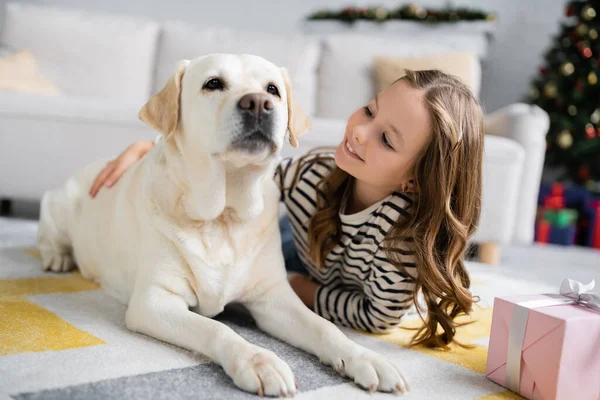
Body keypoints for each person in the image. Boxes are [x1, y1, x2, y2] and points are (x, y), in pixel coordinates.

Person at [89, 69, 484, 348]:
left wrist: (287, 286)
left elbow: (375, 318)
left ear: (412, 181)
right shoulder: (310, 173)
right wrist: (149, 149)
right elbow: (244, 169)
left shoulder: (401, 245)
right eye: (369, 109)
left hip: (308, 272)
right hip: (280, 232)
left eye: (386, 139)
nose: (361, 131)